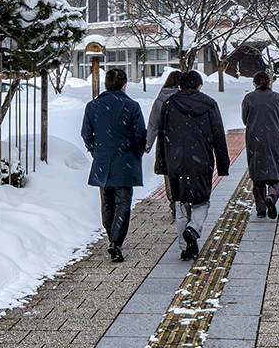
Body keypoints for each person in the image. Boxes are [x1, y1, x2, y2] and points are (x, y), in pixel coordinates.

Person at [156, 70, 229, 261]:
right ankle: (194, 227)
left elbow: (162, 136)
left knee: (181, 204)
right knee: (202, 201)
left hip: (176, 161)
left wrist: (161, 164)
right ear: (199, 85)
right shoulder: (209, 104)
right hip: (201, 159)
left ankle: (184, 248)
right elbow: (218, 135)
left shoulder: (169, 104)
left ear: (180, 86)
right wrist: (223, 164)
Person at [81, 66, 146, 262]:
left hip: (103, 160)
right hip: (125, 161)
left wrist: (96, 151)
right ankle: (116, 241)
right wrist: (136, 153)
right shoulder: (132, 106)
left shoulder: (93, 106)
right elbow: (140, 135)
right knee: (123, 203)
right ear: (124, 85)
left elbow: (86, 133)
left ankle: (111, 236)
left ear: (105, 85)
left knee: (107, 202)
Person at [241, 70, 279, 219]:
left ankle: (261, 209)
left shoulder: (248, 98)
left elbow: (245, 120)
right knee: (275, 173)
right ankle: (271, 196)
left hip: (254, 141)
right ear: (270, 83)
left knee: (257, 176)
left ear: (254, 84)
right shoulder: (278, 98)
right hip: (273, 139)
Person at [146, 70, 182, 219]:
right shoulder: (184, 98)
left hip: (165, 142)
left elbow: (153, 124)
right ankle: (184, 202)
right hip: (183, 141)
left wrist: (147, 144)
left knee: (168, 174)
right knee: (183, 172)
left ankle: (173, 203)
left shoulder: (160, 99)